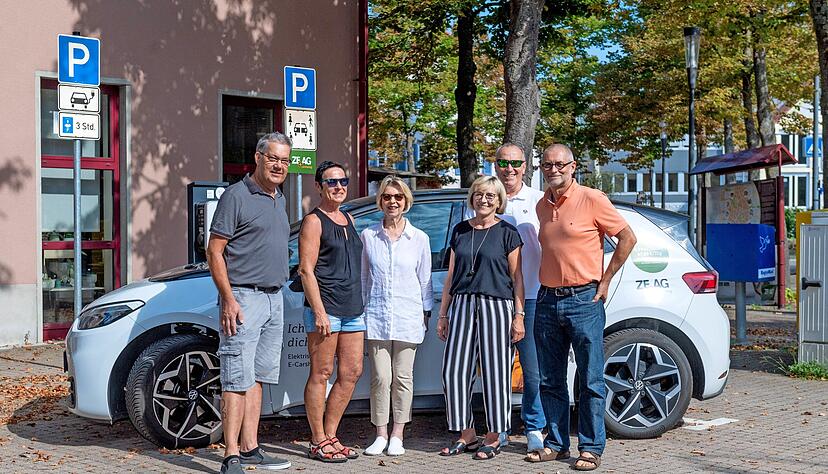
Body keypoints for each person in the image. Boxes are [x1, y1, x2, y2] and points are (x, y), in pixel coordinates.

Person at [529, 144, 637, 471]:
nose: (553, 170)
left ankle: (590, 447)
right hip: (547, 300)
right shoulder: (541, 205)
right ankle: (557, 444)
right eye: (547, 165)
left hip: (584, 300)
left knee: (590, 380)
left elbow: (628, 238)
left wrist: (604, 282)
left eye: (560, 164)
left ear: (573, 166)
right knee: (550, 379)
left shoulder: (592, 199)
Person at [206, 132, 294, 473]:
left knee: (257, 377)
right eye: (273, 158)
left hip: (274, 298)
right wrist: (228, 299)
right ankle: (230, 455)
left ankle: (251, 447)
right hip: (243, 298)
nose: (279, 166)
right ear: (257, 157)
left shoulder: (278, 197)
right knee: (235, 378)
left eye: (285, 161)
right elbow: (215, 252)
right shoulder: (236, 196)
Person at [464, 144, 546, 453]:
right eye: (503, 162)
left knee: (532, 368)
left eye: (515, 162)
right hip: (489, 299)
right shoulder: (478, 200)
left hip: (533, 296)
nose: (508, 168)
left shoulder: (539, 201)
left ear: (525, 166)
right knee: (494, 368)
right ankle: (498, 428)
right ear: (495, 165)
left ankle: (535, 427)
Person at [437, 175, 526, 461]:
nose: (483, 200)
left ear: (499, 200)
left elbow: (517, 277)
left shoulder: (508, 232)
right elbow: (451, 275)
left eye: (490, 195)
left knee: (496, 372)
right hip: (462, 303)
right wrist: (443, 313)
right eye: (478, 194)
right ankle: (467, 433)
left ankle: (495, 434)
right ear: (472, 198)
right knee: (453, 372)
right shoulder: (461, 230)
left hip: (497, 304)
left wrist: (519, 315)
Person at [360, 175, 433, 456]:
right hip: (377, 317)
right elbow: (366, 280)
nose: (393, 202)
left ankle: (397, 434)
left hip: (408, 316)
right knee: (380, 377)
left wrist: (426, 315)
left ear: (406, 201)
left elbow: (425, 281)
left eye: (398, 197)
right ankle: (380, 433)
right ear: (381, 201)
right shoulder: (369, 236)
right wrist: (365, 311)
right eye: (388, 197)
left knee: (403, 377)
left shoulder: (419, 239)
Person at [298, 161, 365, 463]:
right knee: (322, 373)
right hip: (327, 309)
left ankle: (331, 435)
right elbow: (305, 270)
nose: (338, 187)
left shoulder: (348, 218)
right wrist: (320, 312)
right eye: (331, 182)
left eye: (343, 181)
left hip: (353, 309)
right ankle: (316, 441)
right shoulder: (314, 221)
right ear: (319, 186)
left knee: (351, 373)